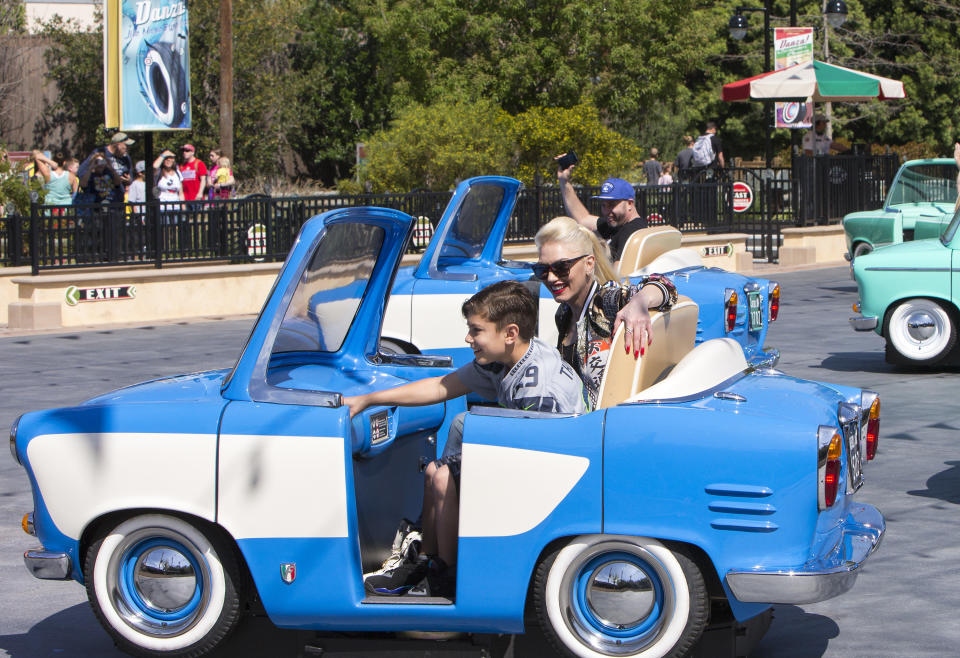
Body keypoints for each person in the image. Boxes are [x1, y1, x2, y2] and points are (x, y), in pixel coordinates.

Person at [344, 280, 586, 597]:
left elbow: (545, 456)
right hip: (534, 456)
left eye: (476, 330)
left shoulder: (538, 385)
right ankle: (429, 561)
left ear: (510, 333)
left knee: (444, 477)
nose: (468, 338)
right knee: (438, 466)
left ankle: (448, 579)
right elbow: (443, 386)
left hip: (555, 477)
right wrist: (371, 399)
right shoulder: (508, 359)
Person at [534, 216, 677, 409]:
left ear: (589, 264)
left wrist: (639, 301)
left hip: (606, 423)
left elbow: (666, 286)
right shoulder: (564, 312)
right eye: (542, 269)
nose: (551, 278)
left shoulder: (606, 300)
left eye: (561, 267)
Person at [556, 158, 647, 271]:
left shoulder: (631, 232)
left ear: (629, 204)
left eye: (612, 204)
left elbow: (619, 276)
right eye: (604, 205)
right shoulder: (618, 224)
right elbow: (583, 219)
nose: (607, 211)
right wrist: (564, 182)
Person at [77, 132, 134, 203]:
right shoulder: (100, 153)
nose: (128, 149)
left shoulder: (126, 158)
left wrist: (129, 180)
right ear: (118, 145)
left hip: (118, 200)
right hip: (98, 200)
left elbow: (130, 179)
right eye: (126, 146)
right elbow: (81, 172)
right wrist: (94, 168)